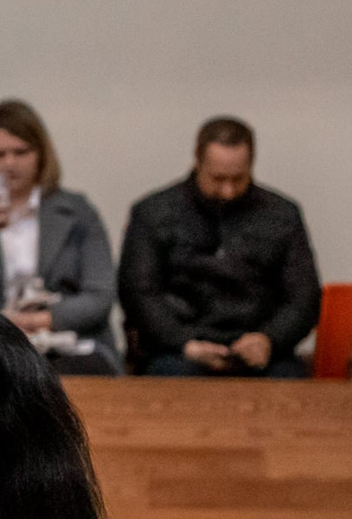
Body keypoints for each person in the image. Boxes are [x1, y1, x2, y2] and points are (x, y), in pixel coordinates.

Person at [0, 100, 121, 375]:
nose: (9, 163)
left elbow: (99, 296)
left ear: (41, 154)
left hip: (63, 340)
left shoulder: (77, 211)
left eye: (21, 152)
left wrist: (37, 321)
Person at [118, 117, 320, 377]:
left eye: (238, 179)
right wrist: (184, 343)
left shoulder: (282, 215)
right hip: (178, 349)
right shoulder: (153, 213)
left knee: (290, 384)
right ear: (198, 161)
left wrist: (269, 339)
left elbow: (303, 298)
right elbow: (139, 294)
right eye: (218, 178)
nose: (228, 191)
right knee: (168, 376)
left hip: (261, 348)